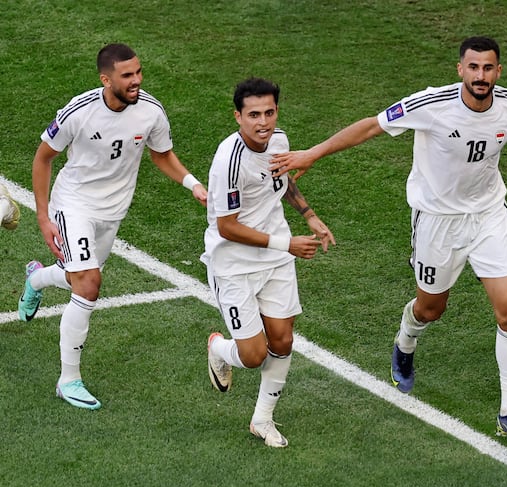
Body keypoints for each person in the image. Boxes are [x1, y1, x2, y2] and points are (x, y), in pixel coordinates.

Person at [270, 36, 507, 447]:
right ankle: (406, 340)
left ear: (499, 71)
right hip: (437, 220)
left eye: (488, 68)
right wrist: (313, 153)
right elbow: (372, 126)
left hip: (489, 216)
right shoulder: (431, 105)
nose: (481, 76)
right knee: (431, 307)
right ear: (460, 69)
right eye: (473, 68)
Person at [18, 43, 208, 410]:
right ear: (106, 79)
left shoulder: (151, 111)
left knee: (76, 277)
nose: (136, 80)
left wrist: (193, 184)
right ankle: (68, 379)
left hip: (113, 212)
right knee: (89, 283)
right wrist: (43, 217)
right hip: (73, 205)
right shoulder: (79, 111)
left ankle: (36, 279)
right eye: (127, 75)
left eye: (138, 72)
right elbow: (43, 159)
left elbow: (161, 154)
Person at [203, 78, 335, 448]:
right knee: (253, 353)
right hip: (233, 265)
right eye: (254, 115)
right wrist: (286, 243)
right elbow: (227, 227)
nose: (264, 122)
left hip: (276, 258)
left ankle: (262, 419)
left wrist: (308, 215)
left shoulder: (278, 140)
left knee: (282, 339)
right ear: (238, 117)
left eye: (270, 112)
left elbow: (280, 180)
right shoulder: (228, 162)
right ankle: (218, 348)